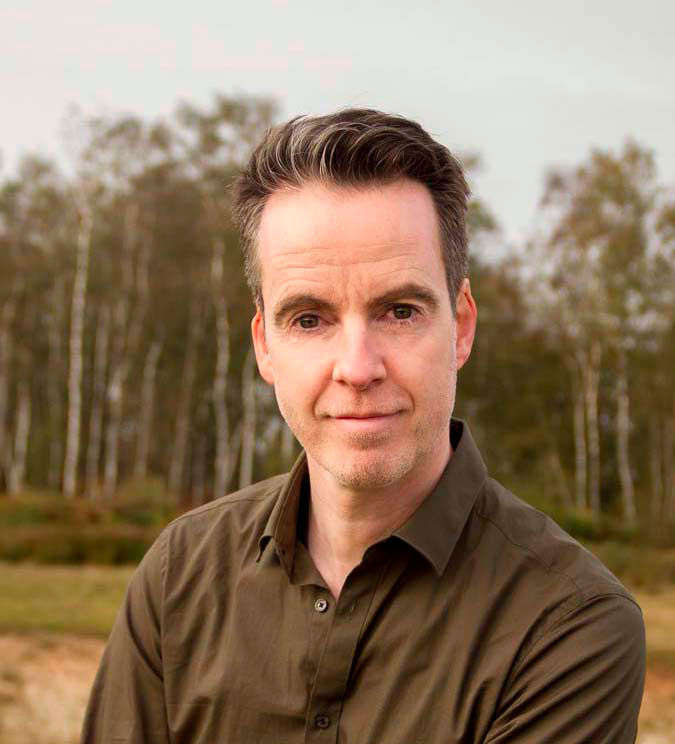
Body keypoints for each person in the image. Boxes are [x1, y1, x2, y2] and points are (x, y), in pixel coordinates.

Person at [82, 109, 645, 743]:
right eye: (309, 319)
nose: (357, 368)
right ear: (264, 345)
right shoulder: (179, 576)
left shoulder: (571, 626)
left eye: (399, 311)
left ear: (461, 326)